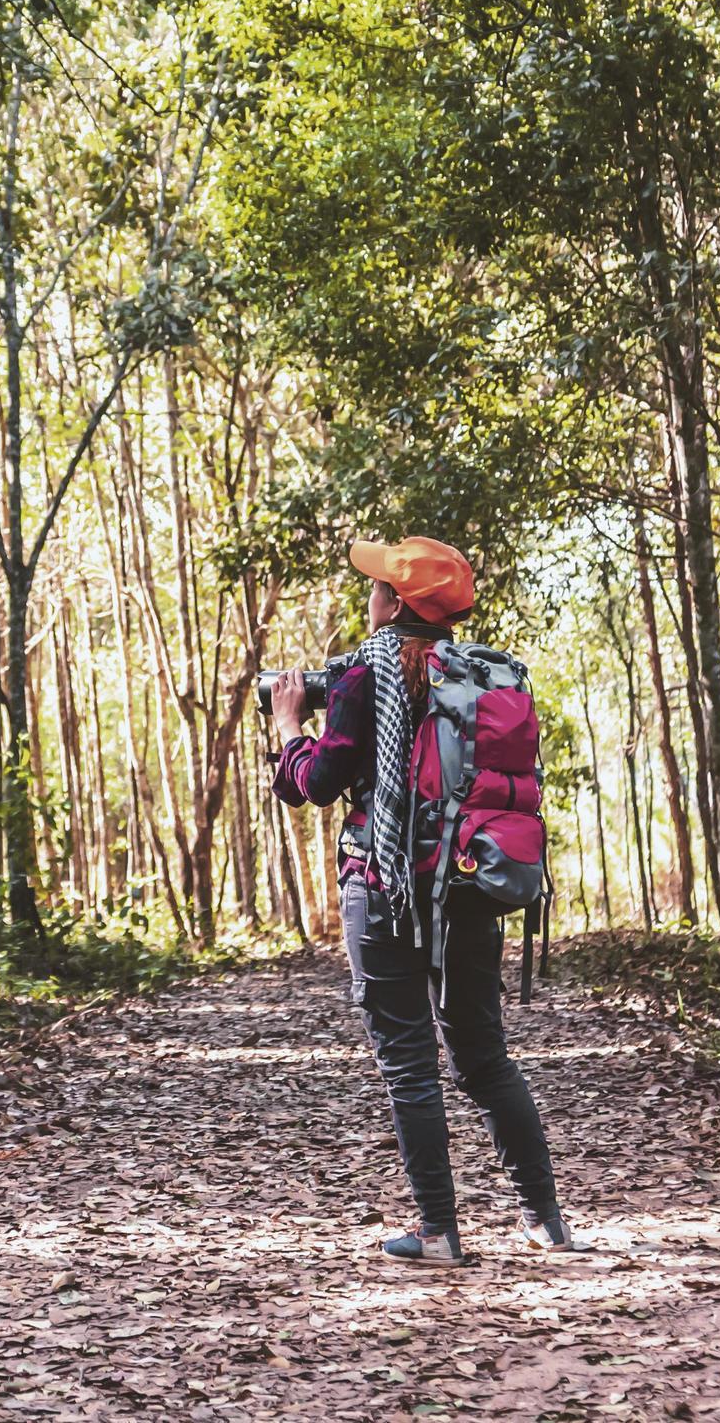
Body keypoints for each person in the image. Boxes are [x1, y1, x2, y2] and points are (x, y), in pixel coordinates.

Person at [269, 535, 572, 1264]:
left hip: (384, 889)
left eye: (375, 586)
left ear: (394, 603)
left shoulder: (364, 675)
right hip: (469, 883)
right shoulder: (485, 674)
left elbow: (311, 784)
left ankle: (438, 1230)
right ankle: (546, 1221)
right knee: (485, 1058)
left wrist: (287, 727)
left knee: (410, 1061)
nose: (366, 595)